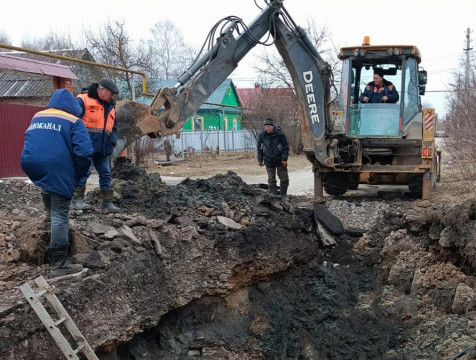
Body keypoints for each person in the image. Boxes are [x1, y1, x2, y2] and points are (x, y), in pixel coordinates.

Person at [21, 89, 93, 277]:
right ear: (73, 107)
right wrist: (78, 176)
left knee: (48, 184)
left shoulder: (38, 116)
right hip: (56, 165)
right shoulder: (74, 121)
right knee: (61, 214)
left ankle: (48, 216)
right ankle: (59, 263)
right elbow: (84, 153)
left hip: (30, 162)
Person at [72, 78, 121, 212]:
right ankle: (77, 199)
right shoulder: (83, 99)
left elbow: (114, 126)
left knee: (105, 173)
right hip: (86, 145)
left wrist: (112, 141)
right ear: (102, 90)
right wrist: (79, 141)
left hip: (103, 146)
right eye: (111, 93)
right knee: (84, 172)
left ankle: (107, 202)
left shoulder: (110, 106)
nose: (112, 97)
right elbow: (73, 121)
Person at [257, 118, 290, 197]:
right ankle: (273, 197)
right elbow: (259, 148)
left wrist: (284, 159)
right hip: (268, 160)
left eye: (269, 126)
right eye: (266, 126)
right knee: (271, 180)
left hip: (280, 160)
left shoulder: (280, 134)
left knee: (284, 179)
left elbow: (285, 147)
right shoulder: (262, 135)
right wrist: (260, 159)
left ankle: (283, 196)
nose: (267, 128)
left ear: (273, 126)